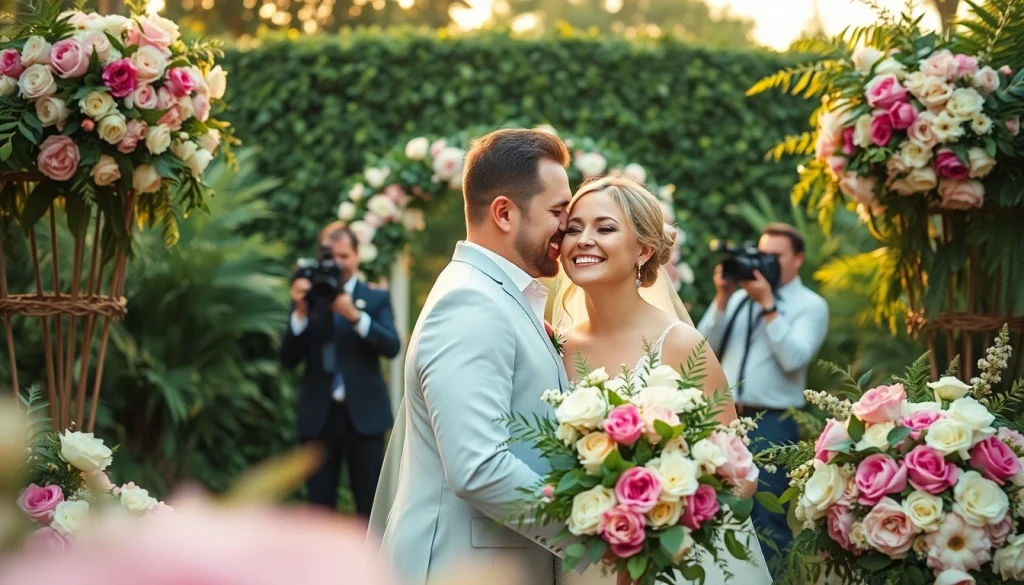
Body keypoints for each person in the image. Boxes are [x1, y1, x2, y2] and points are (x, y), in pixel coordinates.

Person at [369, 128, 574, 585]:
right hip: (456, 567)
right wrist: (602, 528)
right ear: (504, 212)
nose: (568, 225)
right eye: (558, 211)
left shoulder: (501, 296)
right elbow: (478, 467)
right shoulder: (471, 302)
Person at [550, 175, 771, 585]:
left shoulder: (681, 345)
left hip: (673, 564)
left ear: (644, 250)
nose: (583, 239)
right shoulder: (554, 346)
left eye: (605, 228)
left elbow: (738, 477)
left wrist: (656, 520)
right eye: (573, 229)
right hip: (584, 559)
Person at [696, 222, 829, 572]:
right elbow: (699, 346)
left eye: (775, 256)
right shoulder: (741, 297)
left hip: (773, 421)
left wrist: (769, 306)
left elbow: (794, 359)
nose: (764, 263)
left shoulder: (810, 306)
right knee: (719, 510)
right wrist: (723, 297)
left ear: (798, 259)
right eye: (760, 254)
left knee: (768, 519)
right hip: (726, 417)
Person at [281, 222, 401, 518]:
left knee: (370, 507)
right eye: (330, 255)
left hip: (365, 416)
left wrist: (355, 316)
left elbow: (392, 346)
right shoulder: (307, 296)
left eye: (344, 255)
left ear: (357, 256)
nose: (337, 262)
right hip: (318, 417)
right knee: (318, 511)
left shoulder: (374, 298)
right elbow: (287, 359)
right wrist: (299, 311)